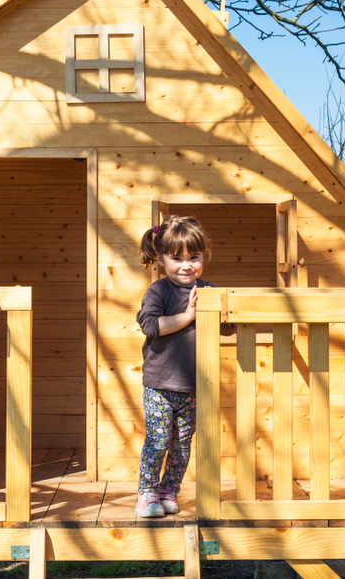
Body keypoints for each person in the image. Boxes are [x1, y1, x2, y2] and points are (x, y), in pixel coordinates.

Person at [134, 215, 215, 518]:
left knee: (181, 446)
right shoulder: (160, 291)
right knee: (157, 441)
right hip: (159, 385)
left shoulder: (207, 290)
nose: (186, 265)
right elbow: (151, 326)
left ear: (203, 256)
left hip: (192, 387)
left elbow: (229, 322)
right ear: (161, 259)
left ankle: (170, 490)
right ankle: (147, 493)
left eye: (194, 257)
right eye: (177, 258)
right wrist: (190, 315)